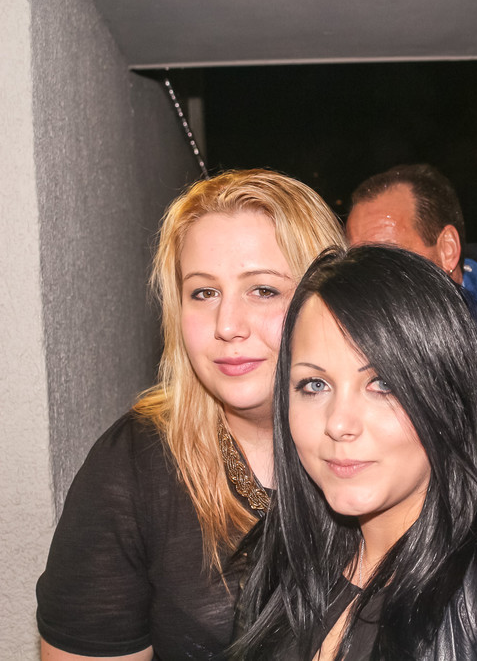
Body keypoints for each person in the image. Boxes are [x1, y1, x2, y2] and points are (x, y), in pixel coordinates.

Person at [231, 245, 477, 660]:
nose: (339, 423)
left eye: (383, 384)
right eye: (315, 385)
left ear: (447, 395)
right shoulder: (283, 551)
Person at [36, 170, 345, 659]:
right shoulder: (134, 467)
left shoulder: (399, 437)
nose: (227, 325)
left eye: (263, 290)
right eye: (204, 292)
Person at [346, 164, 477, 437]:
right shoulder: (345, 344)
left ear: (447, 250)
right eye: (355, 263)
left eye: (389, 259)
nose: (367, 280)